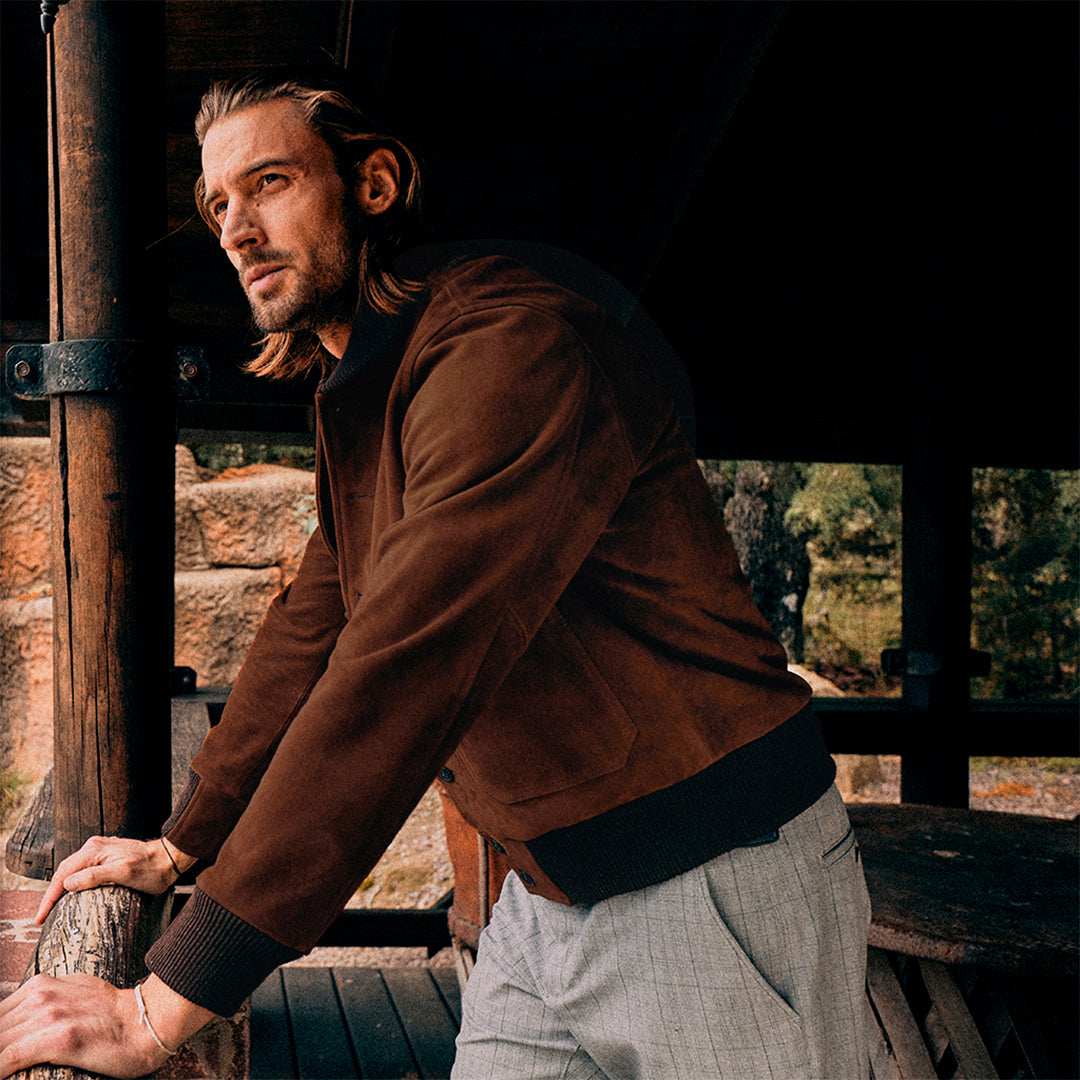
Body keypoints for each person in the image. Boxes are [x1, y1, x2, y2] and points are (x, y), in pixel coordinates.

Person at [0, 71, 870, 1080]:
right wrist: (184, 842)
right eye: (218, 205)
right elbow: (312, 627)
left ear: (371, 184)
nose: (236, 227)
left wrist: (163, 1003)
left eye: (269, 182)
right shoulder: (364, 391)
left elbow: (400, 664)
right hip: (541, 898)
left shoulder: (511, 346)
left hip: (713, 878)